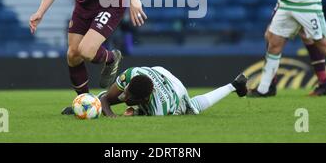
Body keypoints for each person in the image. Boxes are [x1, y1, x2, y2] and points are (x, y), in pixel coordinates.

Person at [100, 66, 247, 117]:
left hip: (176, 89)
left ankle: (234, 85)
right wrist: (111, 113)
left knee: (192, 109)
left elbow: (140, 111)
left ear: (144, 100)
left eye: (129, 97)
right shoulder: (132, 73)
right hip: (157, 72)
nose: (124, 96)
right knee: (113, 97)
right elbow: (105, 99)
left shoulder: (161, 109)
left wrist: (134, 112)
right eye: (126, 91)